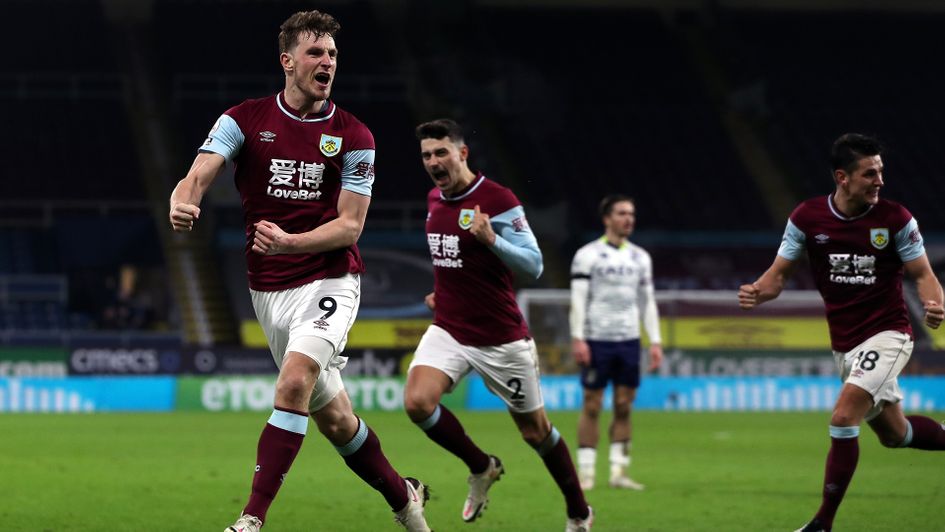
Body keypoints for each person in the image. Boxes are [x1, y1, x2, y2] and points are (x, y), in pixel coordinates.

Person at [168, 10, 430, 532]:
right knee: (336, 421)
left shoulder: (355, 135)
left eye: (332, 54)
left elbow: (350, 226)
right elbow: (197, 174)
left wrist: (290, 243)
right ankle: (405, 498)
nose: (327, 62)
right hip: (268, 291)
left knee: (292, 384)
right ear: (287, 61)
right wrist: (182, 200)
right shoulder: (243, 119)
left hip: (331, 279)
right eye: (315, 53)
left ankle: (250, 519)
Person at [738, 133, 945, 532]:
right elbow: (777, 276)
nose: (880, 180)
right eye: (870, 173)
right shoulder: (807, 218)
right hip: (845, 344)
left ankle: (822, 524)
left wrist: (936, 303)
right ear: (842, 177)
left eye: (881, 171)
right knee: (895, 435)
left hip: (889, 334)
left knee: (843, 415)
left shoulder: (896, 219)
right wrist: (758, 292)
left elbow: (924, 275)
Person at [402, 118, 593, 531]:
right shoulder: (435, 199)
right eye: (426, 155)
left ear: (462, 153)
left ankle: (579, 511)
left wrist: (492, 239)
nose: (434, 161)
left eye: (441, 152)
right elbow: (451, 259)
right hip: (451, 327)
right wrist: (443, 292)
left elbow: (535, 264)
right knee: (417, 403)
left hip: (501, 337)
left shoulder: (497, 198)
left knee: (535, 432)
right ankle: (481, 466)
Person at [569, 195, 663, 491]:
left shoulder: (640, 257)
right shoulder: (588, 255)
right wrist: (578, 337)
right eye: (622, 213)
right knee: (592, 404)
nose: (628, 219)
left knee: (624, 405)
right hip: (597, 340)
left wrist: (655, 341)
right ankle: (585, 474)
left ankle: (618, 472)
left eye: (631, 214)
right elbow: (578, 299)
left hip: (629, 341)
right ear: (607, 218)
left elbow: (647, 302)